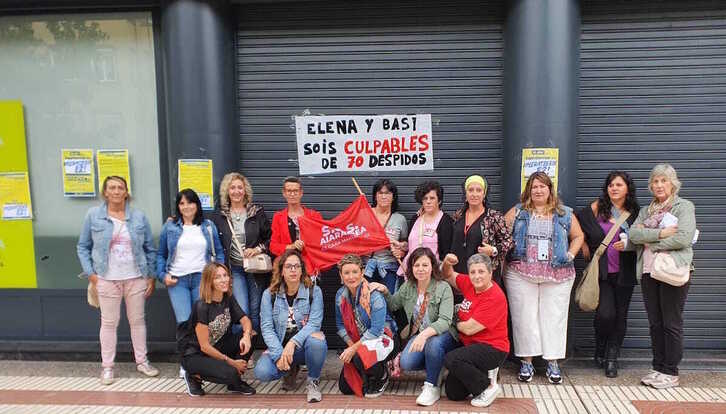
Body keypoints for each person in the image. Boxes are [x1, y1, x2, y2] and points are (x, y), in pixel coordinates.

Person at [77, 176, 159, 385]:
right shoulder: (93, 216)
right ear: (105, 192)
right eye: (111, 188)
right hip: (106, 278)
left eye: (120, 187)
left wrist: (150, 276)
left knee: (137, 321)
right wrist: (92, 275)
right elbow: (83, 246)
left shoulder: (139, 217)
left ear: (126, 192)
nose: (115, 191)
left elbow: (149, 248)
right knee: (109, 323)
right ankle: (107, 367)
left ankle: (142, 362)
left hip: (135, 278)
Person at [503, 172, 584, 384]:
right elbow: (501, 232)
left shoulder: (564, 213)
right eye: (534, 187)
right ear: (529, 190)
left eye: (542, 186)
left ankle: (553, 363)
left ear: (550, 189)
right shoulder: (518, 211)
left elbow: (578, 236)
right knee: (524, 317)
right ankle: (527, 362)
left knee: (554, 318)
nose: (538, 190)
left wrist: (571, 254)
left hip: (558, 274)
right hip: (521, 273)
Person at [630, 164, 696, 389]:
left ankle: (671, 371)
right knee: (655, 323)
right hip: (649, 271)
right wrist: (659, 233)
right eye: (655, 181)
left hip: (672, 269)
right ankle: (658, 367)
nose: (658, 185)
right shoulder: (647, 210)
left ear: (672, 183)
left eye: (663, 181)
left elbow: (684, 238)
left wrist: (652, 243)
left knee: (671, 323)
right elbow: (633, 234)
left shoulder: (683, 206)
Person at [372, 247, 457, 406]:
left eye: (425, 265)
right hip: (420, 335)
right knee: (407, 363)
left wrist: (423, 335)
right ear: (411, 267)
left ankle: (432, 386)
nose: (421, 269)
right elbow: (394, 304)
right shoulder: (408, 286)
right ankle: (437, 365)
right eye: (416, 265)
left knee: (433, 344)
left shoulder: (443, 287)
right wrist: (384, 291)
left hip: (442, 335)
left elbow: (445, 321)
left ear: (432, 266)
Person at [577, 171, 639, 378]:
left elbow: (644, 237)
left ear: (627, 188)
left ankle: (612, 357)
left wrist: (629, 244)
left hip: (625, 272)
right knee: (605, 314)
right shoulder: (597, 207)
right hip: (601, 273)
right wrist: (583, 243)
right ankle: (600, 344)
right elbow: (575, 222)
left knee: (620, 316)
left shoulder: (636, 213)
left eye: (619, 185)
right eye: (611, 185)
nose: (614, 188)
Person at [254, 249, 327, 403]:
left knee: (317, 342)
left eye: (297, 266)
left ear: (302, 270)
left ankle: (312, 382)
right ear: (281, 271)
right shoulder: (269, 294)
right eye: (288, 266)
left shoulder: (314, 291)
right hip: (280, 346)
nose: (293, 270)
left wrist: (293, 343)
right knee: (262, 372)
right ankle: (289, 369)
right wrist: (279, 354)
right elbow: (267, 328)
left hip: (302, 346)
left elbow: (314, 323)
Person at [441, 253, 510, 408]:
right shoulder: (469, 284)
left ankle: (488, 387)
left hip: (492, 348)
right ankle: (485, 374)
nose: (476, 276)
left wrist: (454, 318)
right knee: (454, 393)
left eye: (481, 272)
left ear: (490, 273)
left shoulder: (494, 296)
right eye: (473, 272)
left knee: (452, 359)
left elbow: (469, 329)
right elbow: (448, 274)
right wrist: (446, 262)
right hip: (471, 347)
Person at [178, 262, 256, 397]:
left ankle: (234, 383)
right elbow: (204, 347)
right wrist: (233, 363)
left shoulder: (228, 298)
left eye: (225, 275)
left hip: (217, 347)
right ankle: (193, 375)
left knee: (253, 335)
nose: (224, 279)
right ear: (209, 281)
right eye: (218, 277)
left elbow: (245, 320)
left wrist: (246, 336)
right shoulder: (202, 306)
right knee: (231, 372)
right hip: (196, 355)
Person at [208, 172, 271, 334]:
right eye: (232, 187)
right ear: (227, 191)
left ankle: (251, 346)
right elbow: (208, 233)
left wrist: (257, 249)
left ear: (245, 190)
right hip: (234, 268)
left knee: (256, 309)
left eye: (240, 188)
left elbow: (270, 238)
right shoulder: (220, 215)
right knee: (242, 309)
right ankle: (244, 347)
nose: (236, 191)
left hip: (256, 268)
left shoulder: (256, 212)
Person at [157, 189, 225, 327]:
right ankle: (186, 349)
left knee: (201, 322)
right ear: (178, 207)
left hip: (202, 279)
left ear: (197, 205)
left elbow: (218, 252)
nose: (186, 207)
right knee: (184, 321)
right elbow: (161, 254)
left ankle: (201, 349)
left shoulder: (208, 226)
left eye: (190, 202)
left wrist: (217, 274)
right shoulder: (170, 227)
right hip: (177, 281)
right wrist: (162, 276)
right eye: (182, 203)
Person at [335, 254, 396, 398]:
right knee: (345, 387)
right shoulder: (340, 295)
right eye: (346, 273)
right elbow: (339, 325)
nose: (351, 277)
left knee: (359, 355)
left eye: (355, 272)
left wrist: (353, 349)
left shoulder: (373, 295)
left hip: (383, 338)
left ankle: (382, 374)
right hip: (358, 342)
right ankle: (366, 373)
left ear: (362, 272)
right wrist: (351, 346)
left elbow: (376, 331)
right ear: (341, 275)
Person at [450, 175, 513, 285]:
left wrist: (494, 250)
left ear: (484, 194)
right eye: (470, 190)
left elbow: (509, 242)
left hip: (483, 275)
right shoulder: (458, 215)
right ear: (465, 193)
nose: (474, 194)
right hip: (460, 273)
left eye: (478, 190)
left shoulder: (494, 217)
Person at [398, 181, 454, 276]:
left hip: (433, 274)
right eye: (425, 198)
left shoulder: (445, 221)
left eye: (432, 198)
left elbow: (446, 252)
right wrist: (402, 246)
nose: (428, 201)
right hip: (411, 272)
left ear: (439, 201)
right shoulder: (415, 218)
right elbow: (412, 246)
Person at [270, 176, 322, 274]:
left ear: (301, 193)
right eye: (289, 191)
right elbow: (273, 246)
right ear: (284, 193)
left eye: (295, 191)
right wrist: (291, 246)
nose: (292, 194)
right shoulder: (278, 217)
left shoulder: (314, 216)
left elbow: (320, 243)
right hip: (287, 269)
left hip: (309, 268)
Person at [364, 179, 408, 293]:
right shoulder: (365, 214)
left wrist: (401, 251)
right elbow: (354, 240)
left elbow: (406, 244)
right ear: (375, 196)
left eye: (387, 193)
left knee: (389, 302)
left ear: (393, 197)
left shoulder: (400, 219)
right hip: (366, 267)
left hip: (389, 268)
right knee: (366, 302)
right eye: (380, 193)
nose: (384, 196)